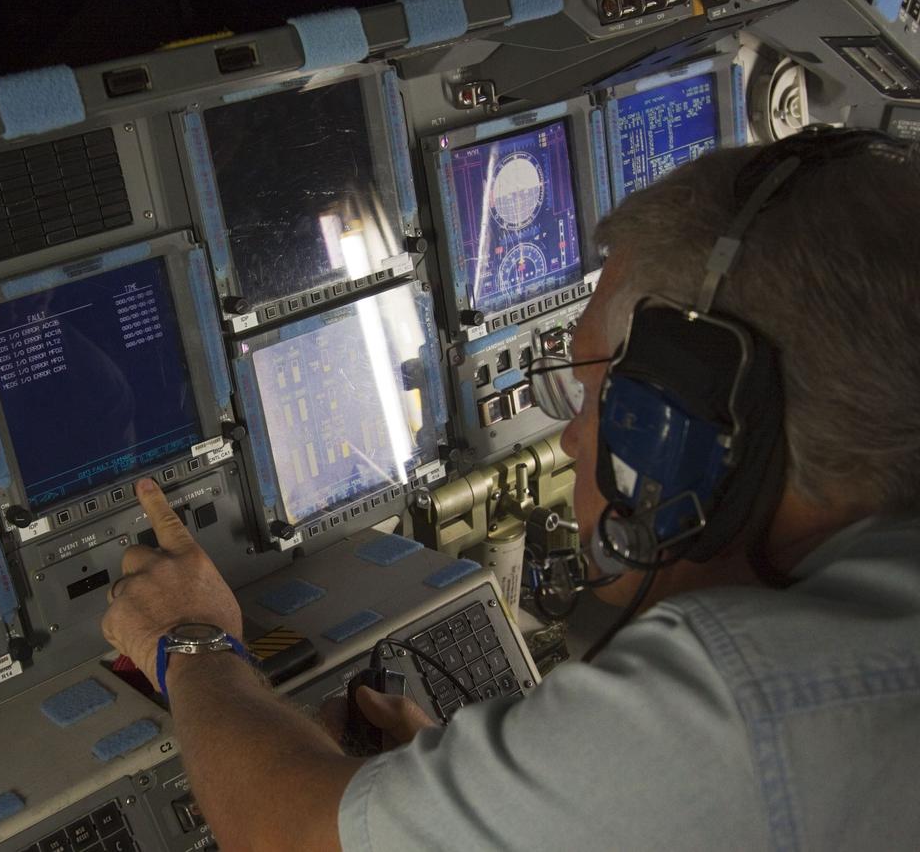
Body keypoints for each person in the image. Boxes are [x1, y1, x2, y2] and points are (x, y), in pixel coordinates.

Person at [101, 130, 920, 851]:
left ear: (689, 433)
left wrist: (190, 638)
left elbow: (288, 835)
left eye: (597, 391)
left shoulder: (736, 700)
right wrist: (480, 811)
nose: (569, 435)